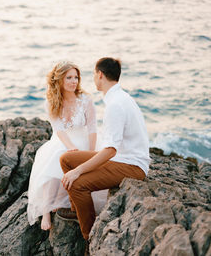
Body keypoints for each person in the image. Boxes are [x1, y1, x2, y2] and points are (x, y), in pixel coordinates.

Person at [57, 57, 151, 252]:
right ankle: (79, 211)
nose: (93, 78)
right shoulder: (120, 98)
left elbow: (110, 150)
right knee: (66, 159)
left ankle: (90, 237)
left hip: (131, 165)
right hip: (121, 158)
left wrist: (79, 171)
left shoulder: (116, 104)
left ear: (100, 75)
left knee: (77, 183)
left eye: (93, 74)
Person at [27, 61, 98, 231]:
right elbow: (58, 130)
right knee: (56, 157)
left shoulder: (86, 99)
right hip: (63, 140)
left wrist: (90, 152)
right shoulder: (51, 102)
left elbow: (93, 128)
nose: (74, 81)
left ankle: (65, 202)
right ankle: (46, 211)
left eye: (76, 77)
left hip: (85, 140)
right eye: (69, 78)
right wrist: (70, 148)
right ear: (59, 80)